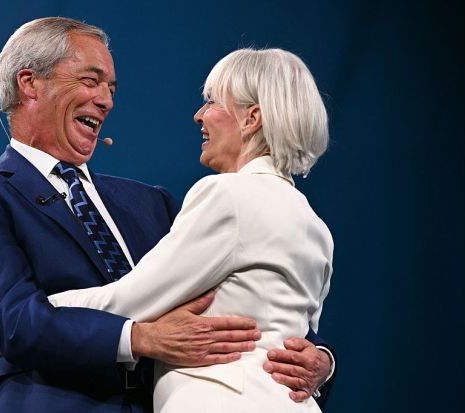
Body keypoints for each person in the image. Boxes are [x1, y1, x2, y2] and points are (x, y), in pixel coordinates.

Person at [0, 17, 333, 413]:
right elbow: (12, 320)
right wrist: (138, 338)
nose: (106, 101)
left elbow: (248, 292)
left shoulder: (152, 203)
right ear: (30, 83)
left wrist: (319, 360)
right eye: (91, 81)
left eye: (110, 89)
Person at [46, 47, 334, 412]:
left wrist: (36, 314)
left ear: (252, 118)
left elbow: (132, 300)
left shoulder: (228, 195)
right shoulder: (314, 225)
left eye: (212, 101)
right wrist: (325, 360)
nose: (199, 115)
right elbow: (303, 338)